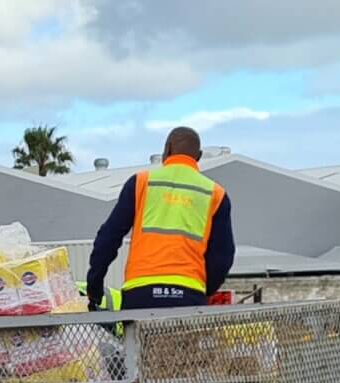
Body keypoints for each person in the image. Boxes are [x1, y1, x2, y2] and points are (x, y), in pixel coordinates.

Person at [85, 125, 237, 312]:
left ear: (167, 149)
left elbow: (108, 237)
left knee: (137, 342)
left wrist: (94, 285)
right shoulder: (215, 194)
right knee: (182, 342)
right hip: (189, 296)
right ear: (198, 156)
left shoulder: (141, 183)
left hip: (140, 293)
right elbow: (223, 256)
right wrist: (203, 291)